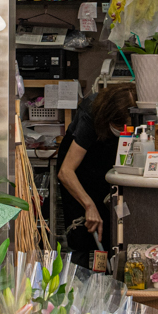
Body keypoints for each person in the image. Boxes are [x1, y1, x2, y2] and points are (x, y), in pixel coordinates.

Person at [57, 83, 137, 264]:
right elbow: (66, 171)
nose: (124, 131)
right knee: (85, 231)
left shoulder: (138, 111)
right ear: (108, 117)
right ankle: (82, 275)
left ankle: (110, 274)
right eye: (120, 126)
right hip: (79, 174)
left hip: (108, 171)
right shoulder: (91, 114)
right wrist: (89, 205)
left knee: (113, 229)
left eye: (128, 127)